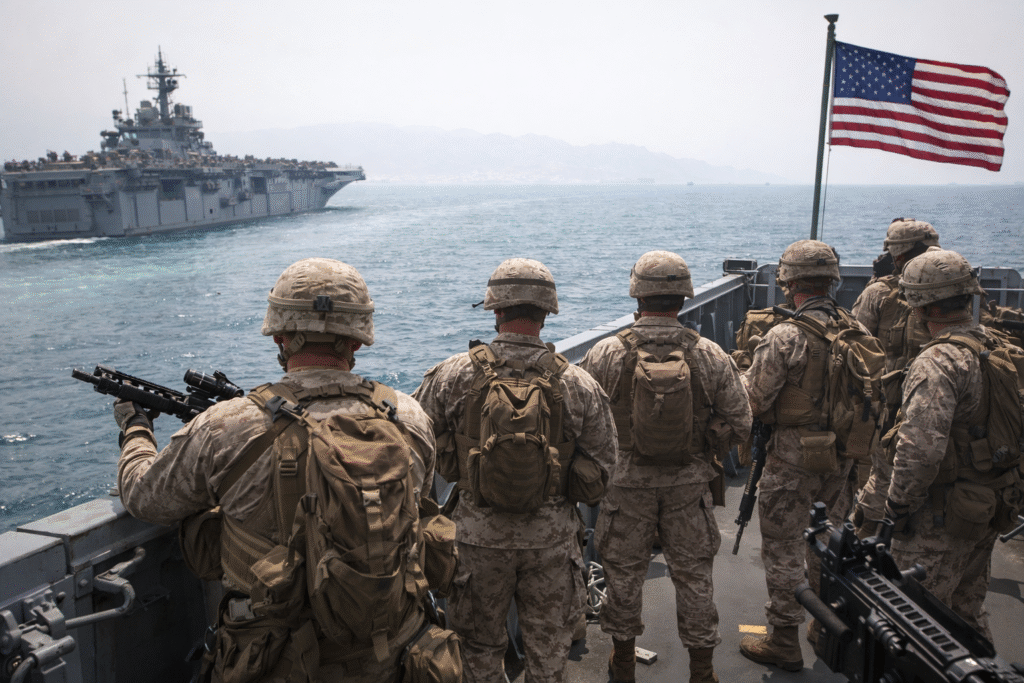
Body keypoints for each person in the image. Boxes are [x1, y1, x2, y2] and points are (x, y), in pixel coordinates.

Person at [114, 258, 440, 683]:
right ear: (357, 341)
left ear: (281, 336)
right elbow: (419, 502)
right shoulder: (408, 417)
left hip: (275, 661)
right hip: (392, 650)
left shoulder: (226, 426)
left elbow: (144, 497)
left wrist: (135, 430)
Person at [413, 257, 617, 683]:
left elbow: (415, 444)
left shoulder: (453, 373)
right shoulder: (577, 383)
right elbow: (602, 467)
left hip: (476, 540)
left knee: (477, 652)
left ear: (496, 310)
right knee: (549, 655)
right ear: (546, 313)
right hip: (552, 541)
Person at [579, 251, 751, 683]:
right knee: (694, 579)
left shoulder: (605, 353)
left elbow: (578, 421)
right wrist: (708, 443)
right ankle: (702, 671)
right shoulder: (708, 353)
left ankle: (621, 665)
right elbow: (741, 419)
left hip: (625, 485)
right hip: (688, 485)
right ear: (683, 297)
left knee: (622, 577)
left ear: (637, 294)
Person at [884, 248, 1024, 642]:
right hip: (987, 504)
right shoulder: (997, 346)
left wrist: (896, 507)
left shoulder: (939, 361)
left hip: (940, 516)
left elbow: (920, 452)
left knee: (914, 624)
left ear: (918, 305)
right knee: (966, 612)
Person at [738, 240, 864, 672]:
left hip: (793, 460)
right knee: (826, 542)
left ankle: (784, 640)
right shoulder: (856, 331)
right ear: (832, 282)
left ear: (788, 283)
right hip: (842, 456)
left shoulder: (785, 335)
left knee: (783, 548)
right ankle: (825, 625)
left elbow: (753, 399)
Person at [851, 218, 940, 537]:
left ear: (898, 255)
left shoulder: (878, 293)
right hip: (934, 411)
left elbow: (853, 350)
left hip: (887, 412)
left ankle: (866, 545)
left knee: (877, 484)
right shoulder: (952, 291)